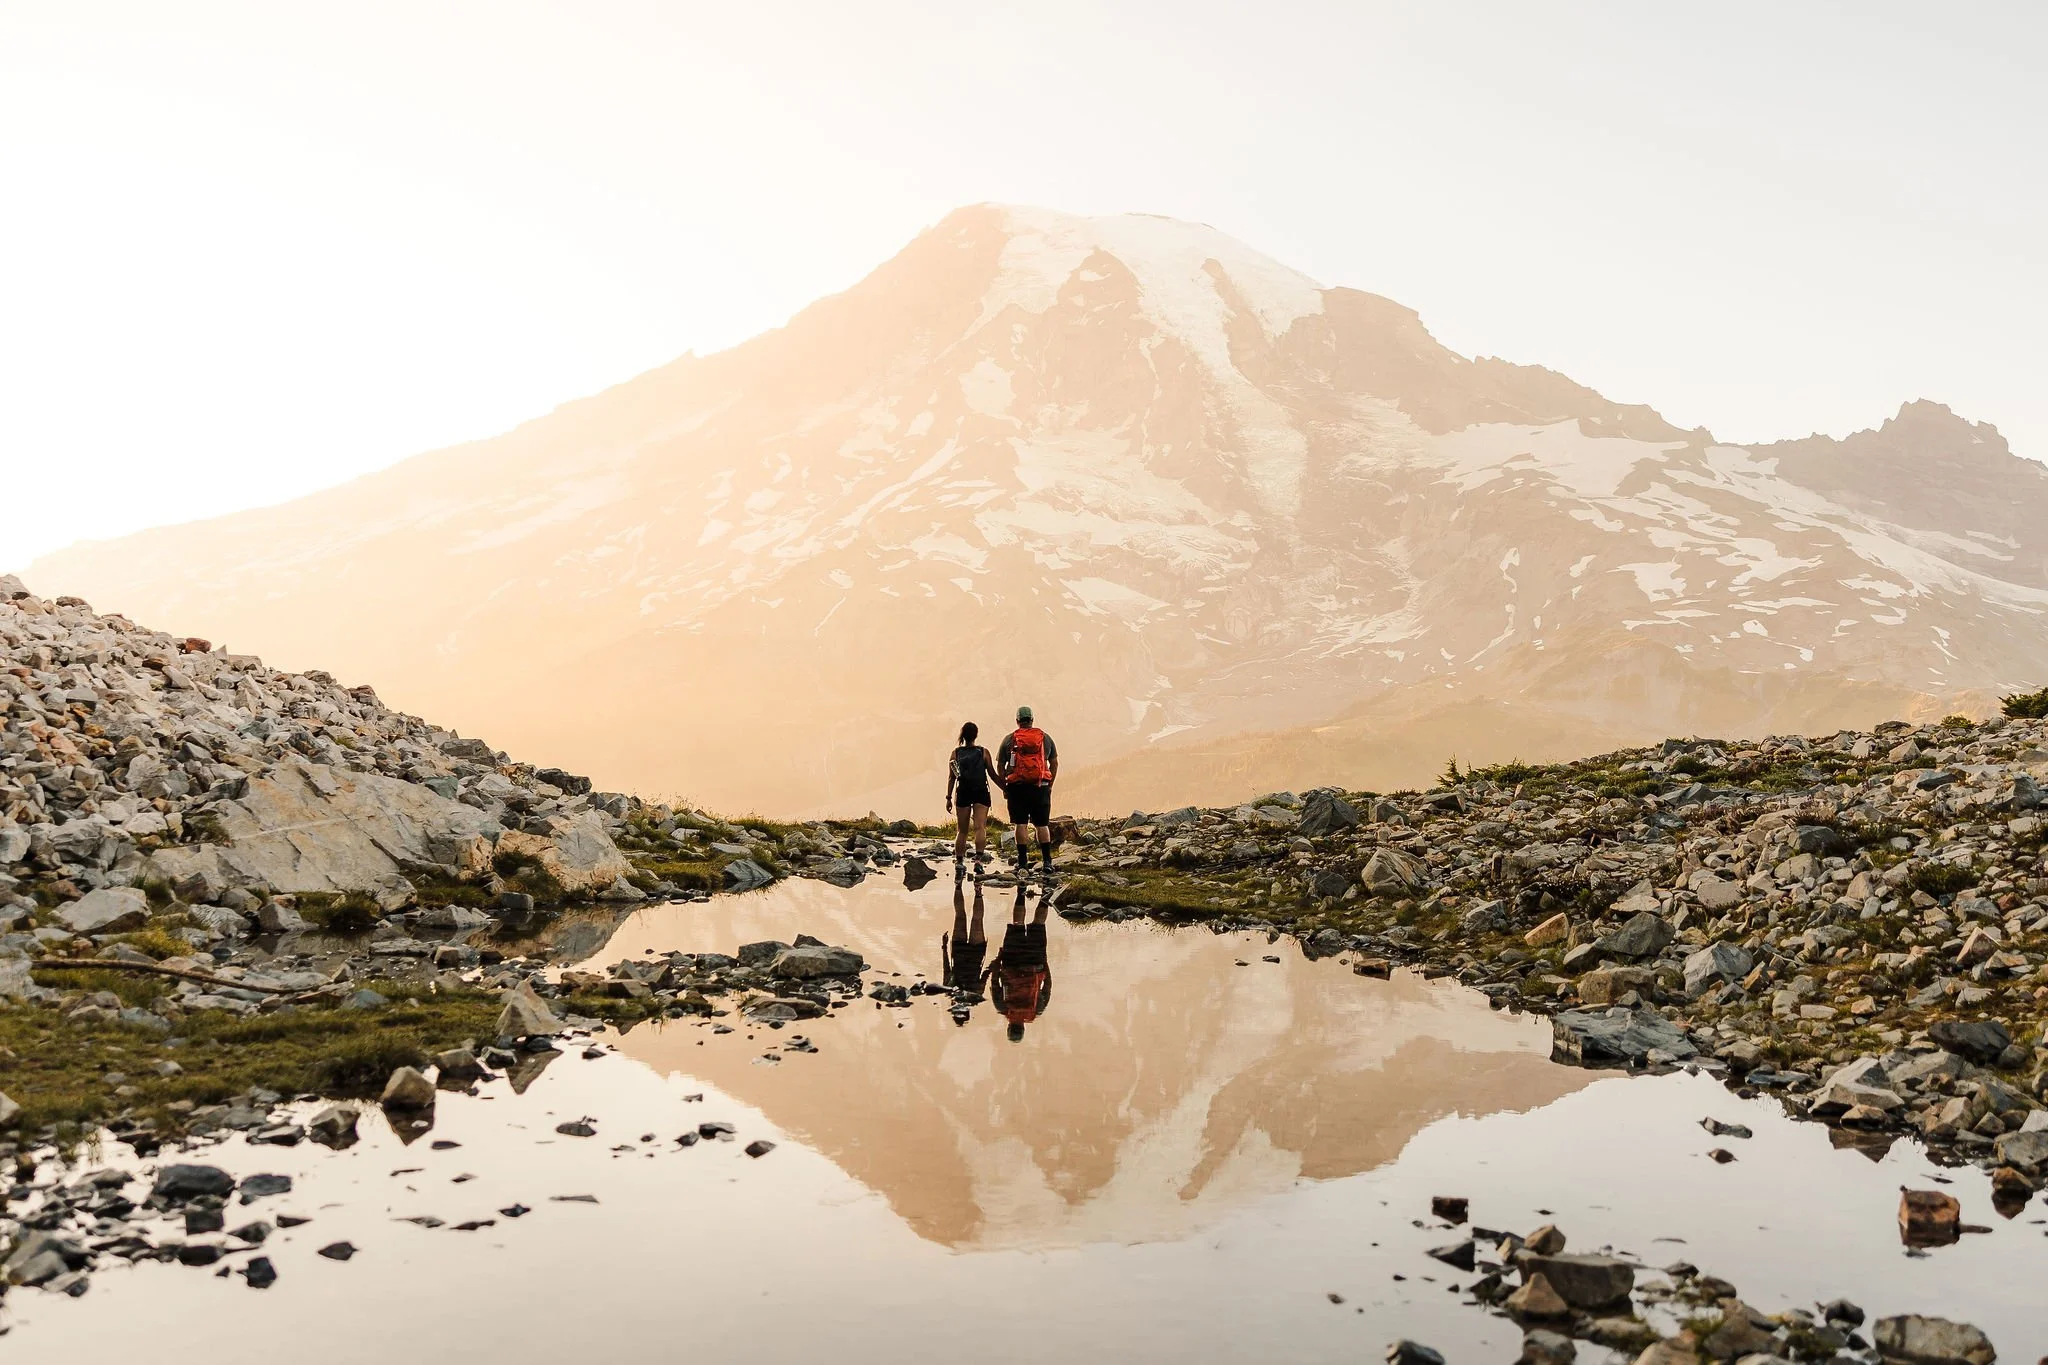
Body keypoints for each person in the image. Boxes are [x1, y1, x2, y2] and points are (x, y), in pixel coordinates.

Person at [996, 705, 1059, 879]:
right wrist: (1050, 783)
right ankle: (1047, 862)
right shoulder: (1045, 739)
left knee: (1020, 824)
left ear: (1017, 721)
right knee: (1042, 824)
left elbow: (1000, 765)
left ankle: (1022, 862)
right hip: (1041, 786)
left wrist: (1005, 786)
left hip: (1017, 787)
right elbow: (1054, 763)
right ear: (1032, 720)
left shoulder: (1009, 739)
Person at [985, 883, 1051, 1041]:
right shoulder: (1003, 1008)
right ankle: (1021, 892)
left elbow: (1047, 987)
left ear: (1022, 1028)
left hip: (1036, 963)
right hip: (1011, 962)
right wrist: (999, 960)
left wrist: (1045, 965)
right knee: (1017, 925)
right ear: (1009, 1027)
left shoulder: (1037, 1011)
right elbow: (995, 983)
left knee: (1039, 924)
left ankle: (1046, 893)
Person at [944, 721, 1001, 873]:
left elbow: (952, 777)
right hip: (981, 792)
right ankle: (978, 861)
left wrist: (948, 797)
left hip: (963, 792)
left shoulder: (955, 753)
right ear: (976, 735)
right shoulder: (983, 752)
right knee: (980, 827)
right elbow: (993, 775)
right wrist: (1006, 789)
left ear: (963, 735)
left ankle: (959, 862)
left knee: (961, 831)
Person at [940, 876, 989, 1016]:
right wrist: (944, 947)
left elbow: (985, 975)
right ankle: (958, 885)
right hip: (959, 952)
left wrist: (996, 961)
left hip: (976, 954)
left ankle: (978, 891)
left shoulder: (976, 994)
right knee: (960, 915)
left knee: (976, 919)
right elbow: (947, 969)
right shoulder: (949, 991)